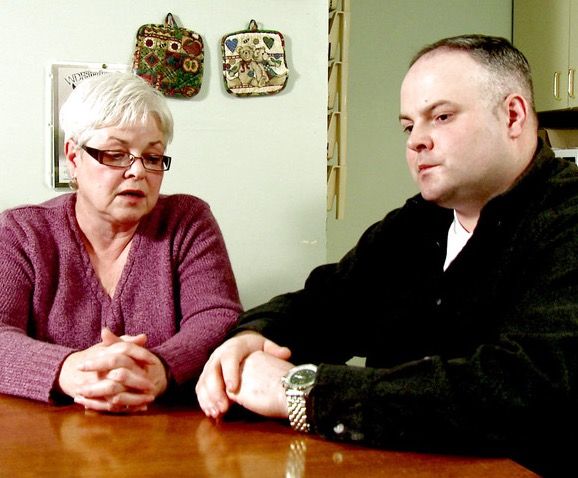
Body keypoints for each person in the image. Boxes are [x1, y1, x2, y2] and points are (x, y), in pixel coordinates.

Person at [196, 35, 578, 476]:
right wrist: (249, 339)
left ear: (513, 115)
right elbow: (324, 305)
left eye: (441, 116)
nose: (417, 142)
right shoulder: (417, 223)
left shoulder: (566, 220)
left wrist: (304, 392)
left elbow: (524, 390)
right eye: (408, 126)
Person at [0, 72, 242, 413]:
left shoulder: (187, 221)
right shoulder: (23, 231)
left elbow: (218, 317)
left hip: (169, 430)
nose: (138, 171)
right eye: (116, 154)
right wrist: (70, 370)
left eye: (152, 157)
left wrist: (160, 367)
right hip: (47, 435)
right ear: (73, 158)